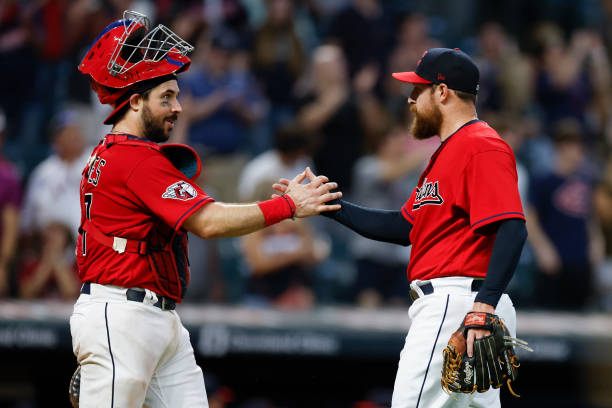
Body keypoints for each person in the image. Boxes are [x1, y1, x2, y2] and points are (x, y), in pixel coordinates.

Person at [69, 11, 341, 408]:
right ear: (135, 101)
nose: (178, 107)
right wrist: (287, 205)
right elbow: (209, 222)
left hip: (152, 316)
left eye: (177, 96)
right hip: (122, 315)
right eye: (167, 97)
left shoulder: (115, 153)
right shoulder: (134, 159)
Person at [275, 48, 527, 407]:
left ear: (442, 92)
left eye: (418, 90)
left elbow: (512, 227)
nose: (410, 99)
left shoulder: (481, 146)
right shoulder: (448, 152)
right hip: (462, 303)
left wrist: (484, 305)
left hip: (458, 304)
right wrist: (327, 205)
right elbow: (404, 226)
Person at [18, 110, 88, 300]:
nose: (72, 137)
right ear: (56, 140)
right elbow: (27, 223)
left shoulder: (95, 164)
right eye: (66, 133)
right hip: (46, 249)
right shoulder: (42, 173)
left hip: (86, 251)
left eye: (75, 132)